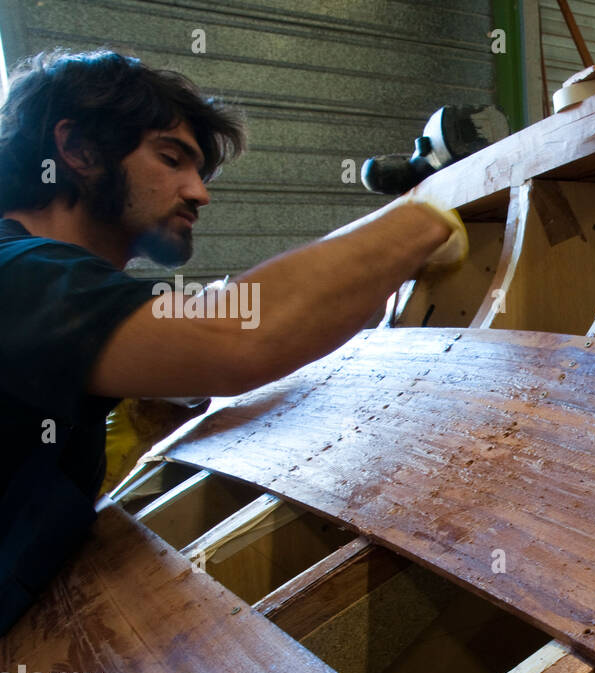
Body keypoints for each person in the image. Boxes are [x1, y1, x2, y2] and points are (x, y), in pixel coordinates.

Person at [0, 49, 465, 634]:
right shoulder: (17, 275)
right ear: (79, 150)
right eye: (172, 160)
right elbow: (237, 337)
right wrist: (428, 219)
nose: (199, 194)